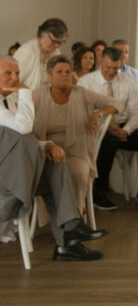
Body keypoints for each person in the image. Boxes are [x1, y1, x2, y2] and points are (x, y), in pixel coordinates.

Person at [0, 56, 106, 261]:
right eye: (8, 73)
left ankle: (69, 240)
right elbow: (23, 128)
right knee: (52, 173)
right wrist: (25, 93)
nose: (15, 78)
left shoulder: (11, 101)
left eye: (17, 73)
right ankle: (69, 237)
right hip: (6, 179)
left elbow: (23, 138)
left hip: (17, 171)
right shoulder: (15, 99)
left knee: (56, 166)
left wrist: (47, 145)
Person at [33, 55, 122, 215]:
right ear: (49, 76)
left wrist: (99, 114)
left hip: (76, 150)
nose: (65, 75)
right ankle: (61, 218)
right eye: (59, 72)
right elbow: (23, 122)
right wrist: (45, 145)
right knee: (46, 175)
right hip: (46, 152)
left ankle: (75, 217)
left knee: (78, 173)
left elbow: (117, 104)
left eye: (68, 71)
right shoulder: (38, 95)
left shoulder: (81, 93)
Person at [79, 47, 138, 210]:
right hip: (96, 128)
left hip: (121, 126)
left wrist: (126, 130)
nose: (112, 72)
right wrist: (106, 128)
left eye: (116, 68)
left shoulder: (128, 82)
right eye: (108, 68)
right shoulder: (86, 82)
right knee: (109, 141)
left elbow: (137, 112)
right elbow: (82, 113)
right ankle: (98, 191)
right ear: (101, 63)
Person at [14, 18, 68, 89]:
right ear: (42, 35)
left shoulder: (56, 52)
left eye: (60, 42)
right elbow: (12, 82)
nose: (57, 45)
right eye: (53, 41)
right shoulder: (27, 52)